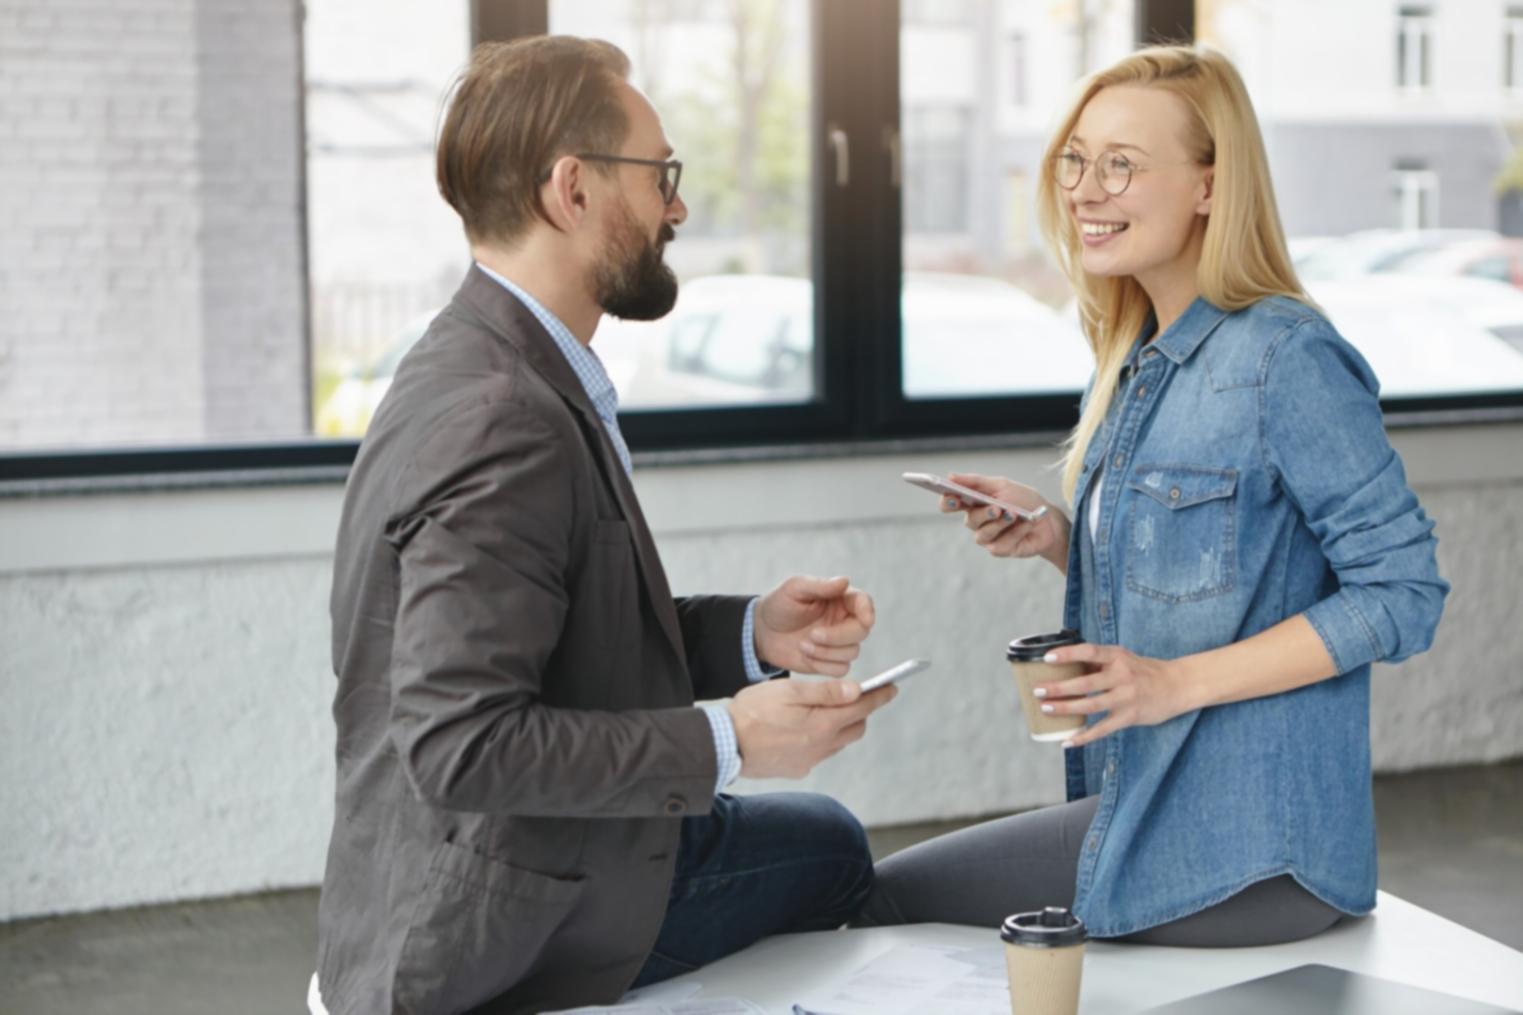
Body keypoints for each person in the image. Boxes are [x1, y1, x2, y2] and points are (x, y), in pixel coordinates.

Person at [311, 36, 897, 1015]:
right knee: (831, 850)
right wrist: (725, 740)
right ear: (570, 190)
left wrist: (749, 634)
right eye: (659, 174)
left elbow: (549, 621)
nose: (676, 206)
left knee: (815, 836)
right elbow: (461, 743)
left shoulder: (479, 357)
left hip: (479, 867)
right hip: (489, 922)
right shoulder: (505, 415)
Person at [855, 44, 1448, 945]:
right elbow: (1216, 561)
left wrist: (1174, 683)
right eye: (1076, 160)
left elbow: (1403, 595)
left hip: (1253, 845)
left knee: (875, 898)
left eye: (1121, 164)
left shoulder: (1286, 359)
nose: (1086, 190)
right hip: (1150, 809)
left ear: (1210, 186)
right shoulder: (1144, 356)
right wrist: (1060, 534)